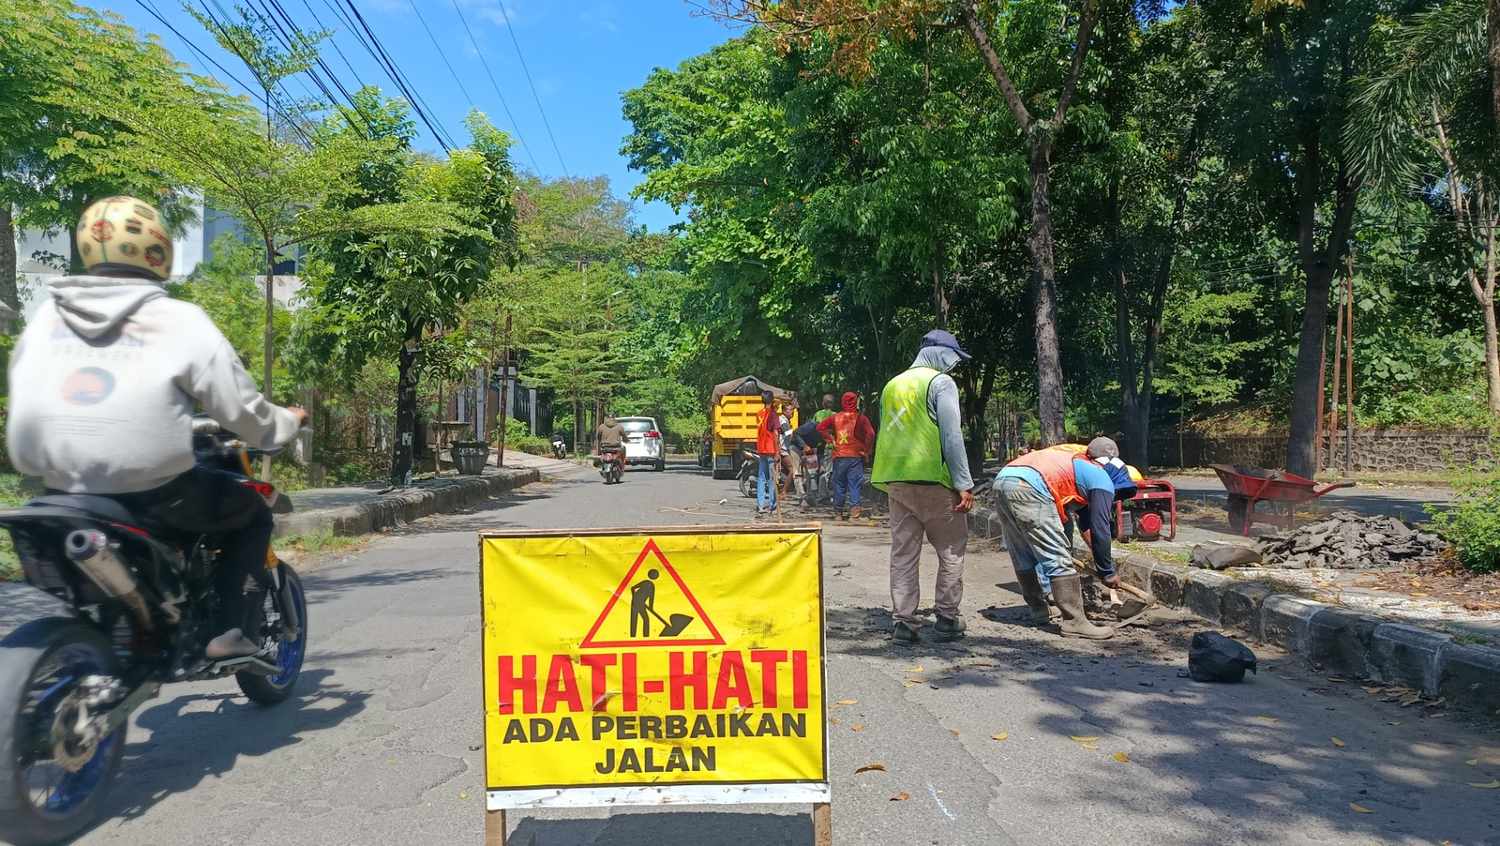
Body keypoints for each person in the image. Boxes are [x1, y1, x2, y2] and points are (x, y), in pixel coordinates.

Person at [6, 196, 307, 660]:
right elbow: (245, 411)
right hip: (153, 493)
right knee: (252, 514)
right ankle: (230, 631)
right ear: (159, 250)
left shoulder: (45, 318)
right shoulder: (179, 319)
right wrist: (286, 423)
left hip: (57, 491)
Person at [870, 330, 975, 644]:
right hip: (934, 480)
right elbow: (951, 435)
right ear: (938, 352)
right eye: (953, 356)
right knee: (951, 550)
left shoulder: (892, 385)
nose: (954, 364)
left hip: (896, 481)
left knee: (903, 553)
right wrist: (963, 483)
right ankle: (947, 618)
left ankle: (904, 623)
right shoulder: (940, 383)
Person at [992, 436, 1137, 640]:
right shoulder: (1102, 477)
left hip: (1004, 479)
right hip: (1030, 486)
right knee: (1058, 555)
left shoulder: (1077, 461)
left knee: (1022, 552)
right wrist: (1107, 571)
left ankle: (1038, 609)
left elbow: (1087, 524)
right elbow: (1100, 528)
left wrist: (1102, 562)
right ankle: (1074, 622)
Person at [818, 391, 877, 520]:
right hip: (855, 456)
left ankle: (838, 513)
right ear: (855, 402)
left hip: (839, 455)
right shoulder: (861, 418)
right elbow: (871, 434)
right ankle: (854, 513)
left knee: (839, 484)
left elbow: (820, 427)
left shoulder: (835, 417)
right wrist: (867, 450)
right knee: (854, 484)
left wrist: (831, 440)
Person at [754, 390, 780, 515]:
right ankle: (772, 505)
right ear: (772, 399)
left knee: (761, 478)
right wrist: (777, 452)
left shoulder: (759, 413)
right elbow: (775, 433)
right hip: (770, 449)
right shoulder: (773, 415)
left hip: (761, 449)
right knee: (771, 479)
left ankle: (760, 505)